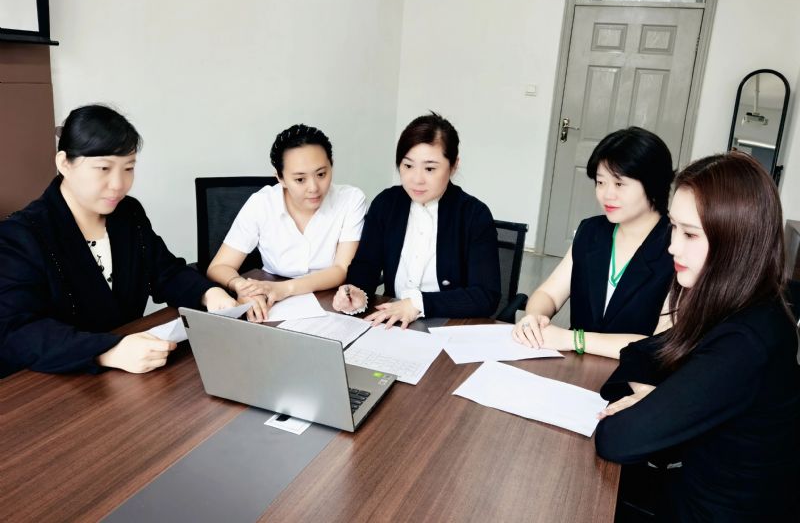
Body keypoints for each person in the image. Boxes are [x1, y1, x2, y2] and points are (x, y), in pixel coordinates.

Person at [595, 151, 800, 521]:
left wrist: (654, 401)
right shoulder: (733, 301)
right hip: (692, 486)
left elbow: (616, 439)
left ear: (736, 241)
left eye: (690, 234)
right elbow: (638, 356)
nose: (673, 246)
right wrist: (654, 396)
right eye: (674, 227)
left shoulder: (747, 340)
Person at [0, 105, 237, 377]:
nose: (118, 184)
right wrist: (108, 351)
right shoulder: (21, 234)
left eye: (128, 168)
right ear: (64, 163)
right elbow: (16, 331)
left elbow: (165, 271)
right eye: (103, 168)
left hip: (130, 374)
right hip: (55, 382)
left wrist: (210, 294)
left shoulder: (128, 213)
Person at [512, 127, 674, 359]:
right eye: (600, 182)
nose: (606, 195)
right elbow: (549, 293)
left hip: (634, 374)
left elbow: (661, 344)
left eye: (619, 184)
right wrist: (535, 318)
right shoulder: (591, 231)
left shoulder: (677, 246)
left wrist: (573, 339)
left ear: (653, 184)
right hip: (575, 365)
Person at [332, 112, 501, 327]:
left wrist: (417, 304)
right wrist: (356, 292)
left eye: (430, 168)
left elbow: (486, 296)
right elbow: (366, 266)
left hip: (451, 326)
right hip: (393, 323)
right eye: (408, 166)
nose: (416, 179)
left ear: (454, 165)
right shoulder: (386, 204)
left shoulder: (474, 215)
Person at [207, 124, 365, 321]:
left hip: (331, 303)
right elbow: (219, 266)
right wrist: (243, 287)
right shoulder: (262, 203)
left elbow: (341, 269)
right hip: (272, 304)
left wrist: (284, 289)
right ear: (280, 178)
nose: (314, 188)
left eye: (321, 174)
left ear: (331, 166)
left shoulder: (350, 200)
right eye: (300, 179)